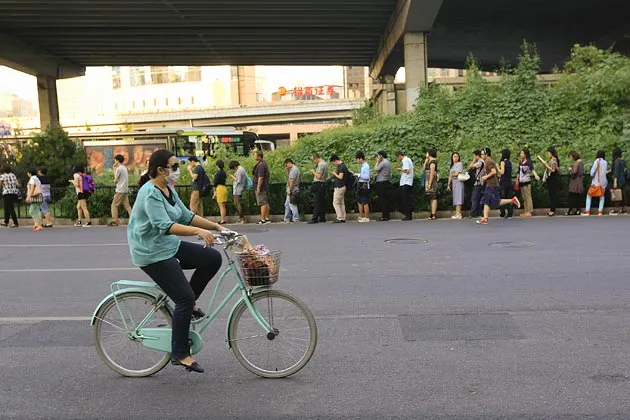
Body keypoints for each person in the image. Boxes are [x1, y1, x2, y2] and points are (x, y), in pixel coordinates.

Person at [128, 149, 227, 374]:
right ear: (160, 170)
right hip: (151, 252)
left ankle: (187, 308)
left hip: (167, 245)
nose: (177, 170)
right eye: (173, 166)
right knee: (184, 298)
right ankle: (180, 353)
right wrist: (198, 232)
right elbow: (165, 226)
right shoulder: (150, 193)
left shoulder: (168, 189)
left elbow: (186, 216)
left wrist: (216, 226)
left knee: (212, 258)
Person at [476, 148, 521, 225]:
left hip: (492, 184)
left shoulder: (488, 161)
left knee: (488, 201)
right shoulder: (488, 161)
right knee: (493, 202)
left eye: (482, 154)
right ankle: (512, 200)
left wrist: (485, 177)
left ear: (486, 154)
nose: (481, 156)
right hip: (492, 184)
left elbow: (493, 172)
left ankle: (485, 219)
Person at [109, 154, 133, 227]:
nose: (114, 161)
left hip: (120, 190)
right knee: (127, 206)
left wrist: (114, 169)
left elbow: (115, 180)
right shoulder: (124, 168)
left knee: (114, 205)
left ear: (117, 160)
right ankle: (133, 220)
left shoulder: (119, 169)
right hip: (125, 189)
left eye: (115, 160)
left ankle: (115, 221)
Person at [537, 146, 561, 216]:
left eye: (548, 153)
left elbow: (553, 170)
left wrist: (545, 164)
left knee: (553, 194)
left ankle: (552, 210)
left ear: (551, 153)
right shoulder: (552, 159)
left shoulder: (554, 159)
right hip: (551, 178)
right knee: (551, 194)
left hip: (553, 178)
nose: (547, 154)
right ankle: (552, 209)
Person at [583, 150, 608, 216]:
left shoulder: (597, 161)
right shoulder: (605, 162)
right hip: (603, 182)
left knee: (589, 195)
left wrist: (592, 175)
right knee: (602, 196)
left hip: (596, 182)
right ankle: (600, 211)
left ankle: (587, 211)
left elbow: (592, 172)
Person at [517, 148, 540, 217]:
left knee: (528, 197)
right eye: (520, 153)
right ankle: (526, 211)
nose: (521, 154)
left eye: (522, 153)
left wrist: (536, 175)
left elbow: (532, 169)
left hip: (527, 182)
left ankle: (529, 211)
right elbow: (518, 171)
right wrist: (517, 180)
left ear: (525, 154)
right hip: (521, 181)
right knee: (524, 197)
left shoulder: (528, 162)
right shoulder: (520, 162)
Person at [308, 153, 328, 224]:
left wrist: (313, 172)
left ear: (316, 158)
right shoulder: (324, 163)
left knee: (317, 202)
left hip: (319, 183)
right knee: (321, 202)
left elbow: (319, 176)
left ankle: (315, 218)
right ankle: (322, 217)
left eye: (313, 160)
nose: (313, 162)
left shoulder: (321, 164)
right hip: (322, 184)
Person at [252, 150, 270, 224]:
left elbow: (261, 177)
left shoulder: (261, 165)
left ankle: (263, 219)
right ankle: (267, 218)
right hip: (264, 186)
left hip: (261, 187)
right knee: (265, 202)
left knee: (262, 203)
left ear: (259, 156)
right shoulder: (262, 163)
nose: (254, 156)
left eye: (255, 155)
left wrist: (258, 187)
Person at [329, 155, 348, 223]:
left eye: (333, 163)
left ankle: (339, 217)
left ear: (336, 161)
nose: (334, 165)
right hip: (342, 186)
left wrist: (334, 174)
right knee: (341, 202)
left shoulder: (341, 167)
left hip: (339, 187)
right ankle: (343, 217)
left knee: (336, 202)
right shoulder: (343, 165)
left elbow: (340, 177)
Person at [395, 151, 414, 221]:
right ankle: (408, 214)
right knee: (405, 199)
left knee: (405, 200)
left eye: (397, 158)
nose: (398, 159)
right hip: (406, 182)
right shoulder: (408, 159)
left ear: (400, 156)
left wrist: (400, 169)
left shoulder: (405, 160)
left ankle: (408, 215)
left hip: (406, 182)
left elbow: (407, 171)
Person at [374, 150, 391, 221]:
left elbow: (376, 169)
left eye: (378, 156)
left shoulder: (383, 162)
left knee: (382, 199)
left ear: (381, 156)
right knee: (385, 199)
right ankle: (386, 215)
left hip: (381, 182)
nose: (377, 157)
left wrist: (377, 162)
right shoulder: (388, 162)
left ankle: (384, 216)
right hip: (385, 181)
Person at [447, 152, 464, 219]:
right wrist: (448, 185)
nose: (456, 158)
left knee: (459, 196)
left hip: (459, 181)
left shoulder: (459, 164)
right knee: (456, 197)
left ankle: (459, 214)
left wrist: (452, 174)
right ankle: (457, 213)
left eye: (457, 156)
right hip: (454, 182)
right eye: (454, 156)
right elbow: (450, 175)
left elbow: (457, 173)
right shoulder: (452, 165)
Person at [469, 150, 485, 219]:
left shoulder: (480, 162)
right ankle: (478, 213)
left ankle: (472, 214)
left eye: (474, 156)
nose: (474, 157)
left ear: (477, 155)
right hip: (479, 182)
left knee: (474, 198)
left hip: (478, 182)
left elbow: (470, 166)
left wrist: (473, 161)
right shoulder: (481, 162)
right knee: (478, 198)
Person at [566, 151, 584, 216]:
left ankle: (570, 211)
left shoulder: (577, 163)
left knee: (572, 196)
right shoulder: (581, 162)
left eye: (570, 157)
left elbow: (574, 172)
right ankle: (578, 210)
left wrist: (570, 169)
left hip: (575, 182)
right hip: (579, 181)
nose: (570, 158)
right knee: (578, 197)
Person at [283, 158, 300, 223]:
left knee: (292, 204)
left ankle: (296, 218)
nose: (286, 167)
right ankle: (287, 218)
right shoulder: (293, 170)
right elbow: (289, 178)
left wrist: (290, 189)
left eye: (286, 165)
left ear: (289, 163)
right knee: (287, 204)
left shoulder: (293, 170)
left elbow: (292, 181)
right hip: (293, 188)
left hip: (293, 189)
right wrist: (287, 170)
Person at [498, 149, 514, 219]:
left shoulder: (503, 162)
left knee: (502, 198)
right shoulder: (509, 162)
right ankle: (510, 213)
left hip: (503, 182)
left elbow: (502, 172)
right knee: (509, 197)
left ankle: (502, 212)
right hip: (509, 182)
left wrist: (497, 167)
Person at [610, 147, 626, 215]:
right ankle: (622, 209)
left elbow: (616, 172)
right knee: (622, 194)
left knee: (616, 194)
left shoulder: (616, 161)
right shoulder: (622, 161)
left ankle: (616, 209)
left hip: (618, 180)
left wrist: (615, 182)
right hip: (623, 179)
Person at [355, 151, 371, 222]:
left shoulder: (366, 166)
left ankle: (366, 217)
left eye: (357, 159)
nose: (357, 161)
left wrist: (358, 175)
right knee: (360, 201)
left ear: (361, 158)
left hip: (364, 185)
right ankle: (361, 216)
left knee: (365, 202)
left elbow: (367, 177)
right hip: (361, 184)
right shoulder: (363, 166)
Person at [424, 148, 438, 220]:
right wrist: (425, 162)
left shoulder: (433, 162)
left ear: (430, 154)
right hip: (428, 180)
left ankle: (433, 214)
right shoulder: (428, 161)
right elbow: (424, 169)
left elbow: (432, 173)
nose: (426, 154)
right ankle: (432, 213)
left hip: (431, 181)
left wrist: (429, 183)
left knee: (433, 197)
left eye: (427, 153)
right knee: (431, 197)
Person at [213, 160, 228, 224]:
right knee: (223, 205)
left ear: (217, 165)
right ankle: (223, 218)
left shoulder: (218, 173)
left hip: (219, 188)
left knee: (221, 205)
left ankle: (222, 220)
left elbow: (215, 182)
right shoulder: (224, 172)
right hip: (224, 188)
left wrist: (214, 191)